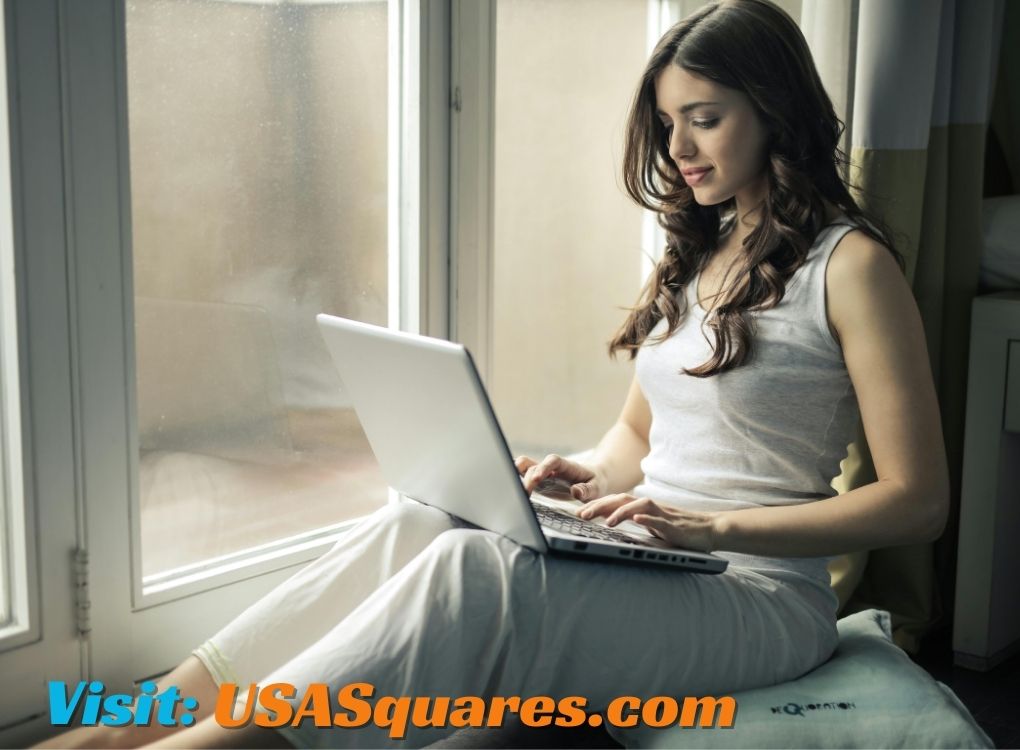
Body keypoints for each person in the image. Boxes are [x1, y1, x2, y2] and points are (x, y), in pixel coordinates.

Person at [38, 0, 949, 748]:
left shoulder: (852, 265)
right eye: (668, 124)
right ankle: (142, 721)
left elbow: (918, 500)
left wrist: (709, 522)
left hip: (760, 597)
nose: (678, 149)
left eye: (704, 119)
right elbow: (637, 438)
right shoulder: (699, 255)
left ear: (774, 109)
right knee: (422, 519)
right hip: (665, 555)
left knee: (479, 572)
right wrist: (583, 480)